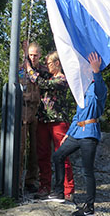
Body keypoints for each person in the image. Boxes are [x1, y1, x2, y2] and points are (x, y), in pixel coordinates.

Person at [42, 52, 107, 216]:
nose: (83, 72)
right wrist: (68, 134)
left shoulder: (98, 87)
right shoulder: (82, 89)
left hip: (90, 133)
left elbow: (99, 86)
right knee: (58, 156)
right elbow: (77, 115)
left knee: (87, 171)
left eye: (86, 70)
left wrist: (96, 71)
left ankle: (89, 207)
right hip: (76, 132)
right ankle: (58, 192)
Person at [25, 51, 75, 201]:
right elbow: (36, 73)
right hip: (43, 120)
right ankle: (44, 186)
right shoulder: (48, 75)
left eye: (49, 63)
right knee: (43, 155)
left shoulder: (62, 79)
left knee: (62, 155)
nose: (47, 66)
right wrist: (27, 57)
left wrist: (29, 70)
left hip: (58, 121)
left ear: (57, 63)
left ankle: (68, 190)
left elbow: (41, 83)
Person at [19, 41, 47, 194]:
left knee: (36, 148)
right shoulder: (21, 70)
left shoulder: (43, 70)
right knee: (21, 147)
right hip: (23, 110)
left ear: (40, 55)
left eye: (36, 55)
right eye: (31, 55)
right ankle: (16, 182)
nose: (34, 57)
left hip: (38, 110)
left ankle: (31, 180)